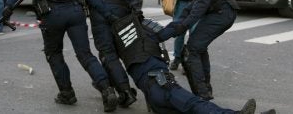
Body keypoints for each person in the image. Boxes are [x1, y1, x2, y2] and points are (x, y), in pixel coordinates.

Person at [2, 0, 118, 112]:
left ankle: (67, 93)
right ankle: (107, 90)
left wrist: (8, 7)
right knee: (85, 54)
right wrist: (107, 13)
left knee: (54, 54)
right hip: (75, 13)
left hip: (51, 16)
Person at [109, 14, 274, 114]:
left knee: (193, 109)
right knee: (195, 104)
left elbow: (113, 66)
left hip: (153, 94)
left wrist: (123, 93)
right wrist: (192, 15)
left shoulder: (117, 40)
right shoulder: (146, 32)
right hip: (162, 85)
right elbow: (170, 30)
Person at [155, 0, 240, 101]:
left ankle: (202, 96)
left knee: (191, 50)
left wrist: (185, 25)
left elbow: (204, 1)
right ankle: (205, 90)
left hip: (220, 14)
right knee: (197, 46)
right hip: (220, 11)